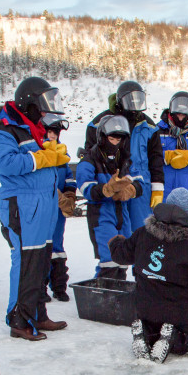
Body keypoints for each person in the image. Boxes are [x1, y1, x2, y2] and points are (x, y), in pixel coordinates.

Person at [0, 76, 71, 341]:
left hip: (42, 205)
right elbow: (6, 164)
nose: (45, 112)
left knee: (41, 262)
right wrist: (41, 158)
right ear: (29, 103)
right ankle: (19, 321)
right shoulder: (5, 132)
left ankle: (38, 314)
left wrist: (52, 153)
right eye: (42, 106)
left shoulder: (33, 129)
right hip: (22, 206)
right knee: (26, 264)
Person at [109, 187, 188, 363]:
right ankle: (179, 341)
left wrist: (116, 242)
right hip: (180, 313)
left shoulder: (142, 233)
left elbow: (121, 255)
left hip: (145, 309)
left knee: (157, 323)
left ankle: (147, 334)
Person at [86, 80, 160, 229]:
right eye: (131, 101)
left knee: (141, 231)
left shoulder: (149, 126)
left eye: (138, 101)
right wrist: (99, 187)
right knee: (115, 230)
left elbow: (156, 159)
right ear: (121, 101)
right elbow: (91, 156)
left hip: (140, 186)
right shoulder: (98, 123)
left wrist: (157, 186)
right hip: (112, 182)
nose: (134, 108)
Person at [77, 114, 140, 279]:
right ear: (102, 137)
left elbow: (139, 179)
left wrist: (131, 190)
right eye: (112, 139)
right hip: (101, 214)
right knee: (109, 260)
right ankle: (102, 291)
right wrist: (105, 189)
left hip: (122, 213)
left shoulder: (125, 160)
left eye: (119, 140)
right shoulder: (90, 159)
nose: (115, 143)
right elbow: (85, 186)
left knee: (123, 259)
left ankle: (119, 291)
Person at [149, 91, 188, 209]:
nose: (180, 117)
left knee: (184, 220)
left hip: (187, 189)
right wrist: (165, 157)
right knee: (161, 219)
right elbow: (149, 155)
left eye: (183, 115)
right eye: (178, 114)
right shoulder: (157, 130)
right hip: (163, 187)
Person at [43, 112, 76, 301]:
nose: (52, 136)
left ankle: (59, 286)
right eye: (49, 132)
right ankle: (40, 287)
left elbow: (69, 178)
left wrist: (69, 195)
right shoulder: (38, 152)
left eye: (55, 133)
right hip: (42, 208)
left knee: (57, 245)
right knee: (42, 245)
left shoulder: (62, 155)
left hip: (58, 210)